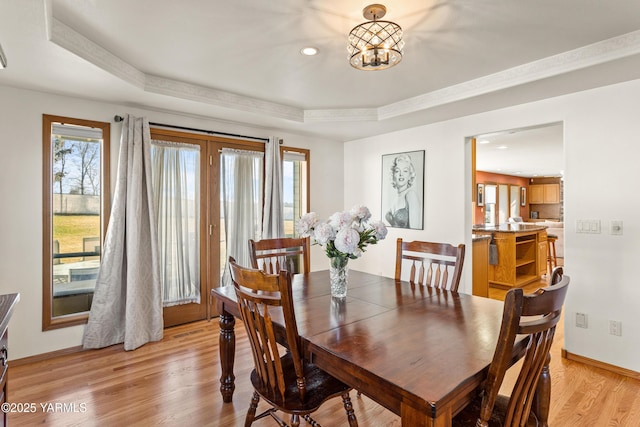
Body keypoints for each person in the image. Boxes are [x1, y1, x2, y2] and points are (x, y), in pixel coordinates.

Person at [385, 154, 421, 228]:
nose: (401, 174)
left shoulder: (411, 195)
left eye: (405, 171)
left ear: (410, 175)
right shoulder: (395, 198)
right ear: (393, 175)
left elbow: (414, 229)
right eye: (397, 171)